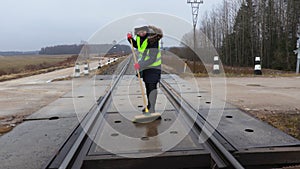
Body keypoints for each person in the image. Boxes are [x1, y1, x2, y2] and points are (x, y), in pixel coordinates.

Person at [127, 24, 163, 113]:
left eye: (143, 31)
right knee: (147, 87)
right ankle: (149, 106)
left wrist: (140, 65)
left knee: (152, 88)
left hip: (154, 67)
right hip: (145, 68)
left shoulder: (153, 39)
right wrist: (130, 39)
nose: (141, 33)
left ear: (147, 30)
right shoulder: (139, 38)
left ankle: (152, 109)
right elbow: (138, 46)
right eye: (139, 32)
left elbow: (152, 57)